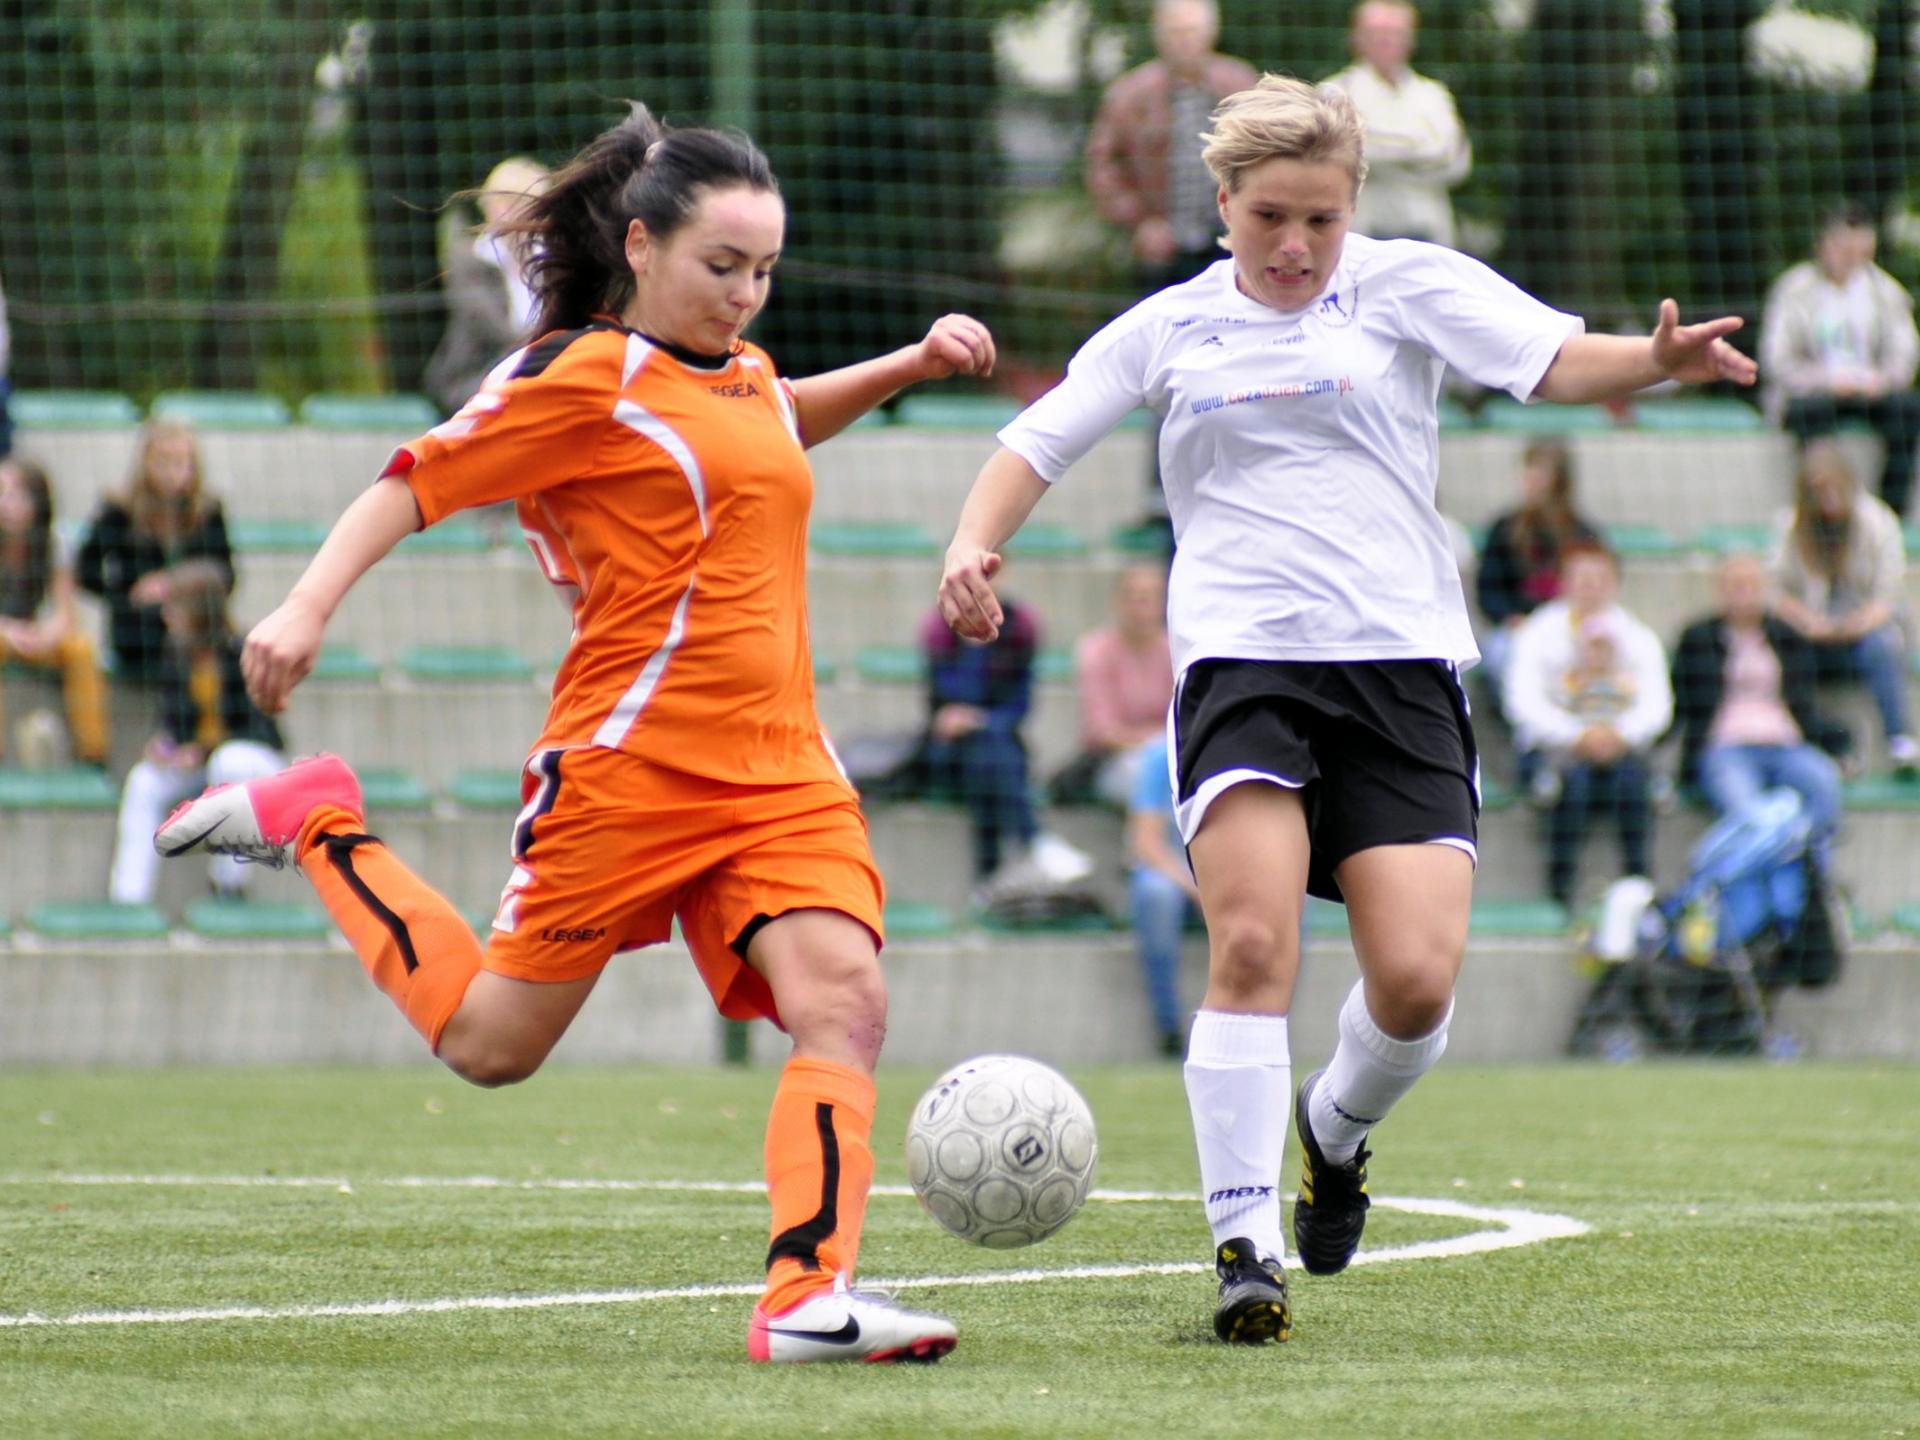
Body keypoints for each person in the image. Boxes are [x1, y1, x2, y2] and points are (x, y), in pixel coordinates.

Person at [154, 106, 994, 1365]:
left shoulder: (745, 371)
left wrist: (907, 367)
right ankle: (314, 819)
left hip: (779, 774)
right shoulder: (577, 378)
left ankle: (804, 1300)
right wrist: (304, 604)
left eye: (765, 272)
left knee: (847, 1001)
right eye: (724, 268)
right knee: (491, 1048)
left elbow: (773, 419)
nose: (748, 296)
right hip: (632, 766)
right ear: (643, 246)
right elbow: (414, 478)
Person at [935, 74, 1754, 1345]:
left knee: (1418, 985)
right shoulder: (1171, 328)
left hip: (1401, 670)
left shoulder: (1409, 286)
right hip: (1242, 671)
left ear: (1354, 204)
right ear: (1223, 205)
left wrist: (1651, 360)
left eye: (1321, 217)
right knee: (1252, 947)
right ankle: (1244, 1243)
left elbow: (1547, 358)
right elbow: (1036, 442)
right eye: (1270, 216)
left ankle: (1335, 1130)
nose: (1296, 245)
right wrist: (972, 547)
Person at [1504, 542, 1673, 907]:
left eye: (1600, 579)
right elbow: (1522, 703)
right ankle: (1559, 889)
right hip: (1555, 752)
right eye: (1582, 578)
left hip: (1620, 751)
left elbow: (1656, 706)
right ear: (1564, 582)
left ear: (1614, 583)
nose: (1591, 587)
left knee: (1633, 782)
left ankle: (1639, 887)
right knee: (1572, 784)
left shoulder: (1637, 636)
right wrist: (1577, 735)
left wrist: (1618, 734)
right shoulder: (1538, 632)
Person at [108, 571, 286, 904]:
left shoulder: (242, 653)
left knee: (228, 761)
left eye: (175, 607)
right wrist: (163, 744)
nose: (167, 615)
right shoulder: (176, 652)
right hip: (201, 763)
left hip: (252, 760)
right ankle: (128, 898)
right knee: (144, 780)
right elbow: (172, 718)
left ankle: (228, 885)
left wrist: (203, 750)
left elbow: (254, 725)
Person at [1669, 552, 1842, 873]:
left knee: (1823, 781)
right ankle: (1774, 888)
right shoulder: (1698, 637)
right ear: (1719, 591)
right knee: (1751, 815)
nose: (1744, 594)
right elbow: (1683, 699)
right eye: (1735, 586)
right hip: (1727, 746)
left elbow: (1804, 701)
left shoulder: (1786, 637)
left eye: (1751, 585)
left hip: (1784, 742)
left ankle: (1817, 879)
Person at [1085, 0, 1257, 295]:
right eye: (1175, 32)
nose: (1185, 41)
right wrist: (1139, 222)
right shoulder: (1129, 94)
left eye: (1192, 31)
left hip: (1231, 241)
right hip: (1163, 247)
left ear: (1211, 33)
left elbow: (1271, 154)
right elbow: (1103, 165)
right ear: (1159, 36)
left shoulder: (1241, 85)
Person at [1760, 202, 1920, 517]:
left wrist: (1883, 380)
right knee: (1809, 416)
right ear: (1824, 244)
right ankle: (1819, 507)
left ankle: (1891, 512)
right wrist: (1825, 380)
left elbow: (1905, 353)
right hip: (1815, 393)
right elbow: (1776, 359)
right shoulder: (1793, 290)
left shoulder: (1886, 291)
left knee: (1908, 410)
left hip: (1870, 391)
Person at [1768, 439, 1917, 771]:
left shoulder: (1878, 522)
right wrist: (1809, 623)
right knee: (1779, 644)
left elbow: (1889, 595)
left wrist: (1854, 625)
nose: (1829, 499)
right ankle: (1812, 742)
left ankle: (1899, 738)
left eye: (1835, 488)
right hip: (1811, 634)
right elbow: (1776, 593)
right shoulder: (1790, 525)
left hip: (1863, 632)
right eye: (1820, 491)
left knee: (1881, 646)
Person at [75, 419, 234, 683]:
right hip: (138, 630)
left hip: (198, 628)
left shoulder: (209, 512)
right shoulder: (118, 511)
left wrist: (175, 584)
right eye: (162, 461)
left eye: (180, 462)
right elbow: (85, 570)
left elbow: (227, 575)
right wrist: (126, 596)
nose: (171, 472)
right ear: (145, 463)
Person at [917, 581, 1041, 889]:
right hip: (951, 751)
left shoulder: (1018, 628)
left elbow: (1019, 706)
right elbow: (936, 708)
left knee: (987, 750)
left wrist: (978, 720)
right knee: (986, 751)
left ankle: (989, 877)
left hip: (996, 743)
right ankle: (1033, 841)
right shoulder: (940, 628)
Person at [1322, 2, 1471, 248]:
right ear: (1356, 37)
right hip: (1363, 231)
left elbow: (1453, 160)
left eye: (1395, 33)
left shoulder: (1434, 94)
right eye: (1376, 32)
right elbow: (1339, 157)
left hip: (1428, 230)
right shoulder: (1334, 92)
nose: (1386, 40)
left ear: (1411, 39)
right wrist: (1417, 146)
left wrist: (1375, 143)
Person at [1473, 437, 1601, 710]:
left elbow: (1597, 586)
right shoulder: (1505, 529)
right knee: (1500, 654)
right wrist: (1509, 618)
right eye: (1529, 470)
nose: (1531, 480)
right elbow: (1488, 590)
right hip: (1516, 628)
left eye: (1541, 473)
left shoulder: (1582, 532)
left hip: (1568, 628)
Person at [0, 456, 110, 768]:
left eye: (13, 494)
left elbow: (65, 614)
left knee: (80, 650)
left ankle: (93, 752)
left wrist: (45, 635)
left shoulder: (54, 543)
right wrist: (8, 631)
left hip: (34, 635)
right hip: (4, 634)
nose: (4, 504)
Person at [423, 156, 552, 416]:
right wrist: (547, 346)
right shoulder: (468, 260)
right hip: (476, 378)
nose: (503, 212)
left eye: (515, 203)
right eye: (497, 202)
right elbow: (493, 326)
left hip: (539, 374)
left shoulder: (555, 259)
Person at [1057, 561, 1174, 807]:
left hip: (1170, 757)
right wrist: (1157, 742)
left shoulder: (1175, 652)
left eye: (1148, 599)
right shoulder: (1095, 650)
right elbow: (1102, 731)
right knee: (1146, 775)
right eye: (1132, 597)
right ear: (1117, 601)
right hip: (1113, 761)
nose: (1139, 607)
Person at [1127, 732, 1199, 1057]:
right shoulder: (1161, 755)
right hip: (1178, 878)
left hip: (1226, 877)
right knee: (1157, 894)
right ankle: (1170, 1028)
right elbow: (1146, 843)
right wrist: (1196, 888)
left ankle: (1266, 1021)